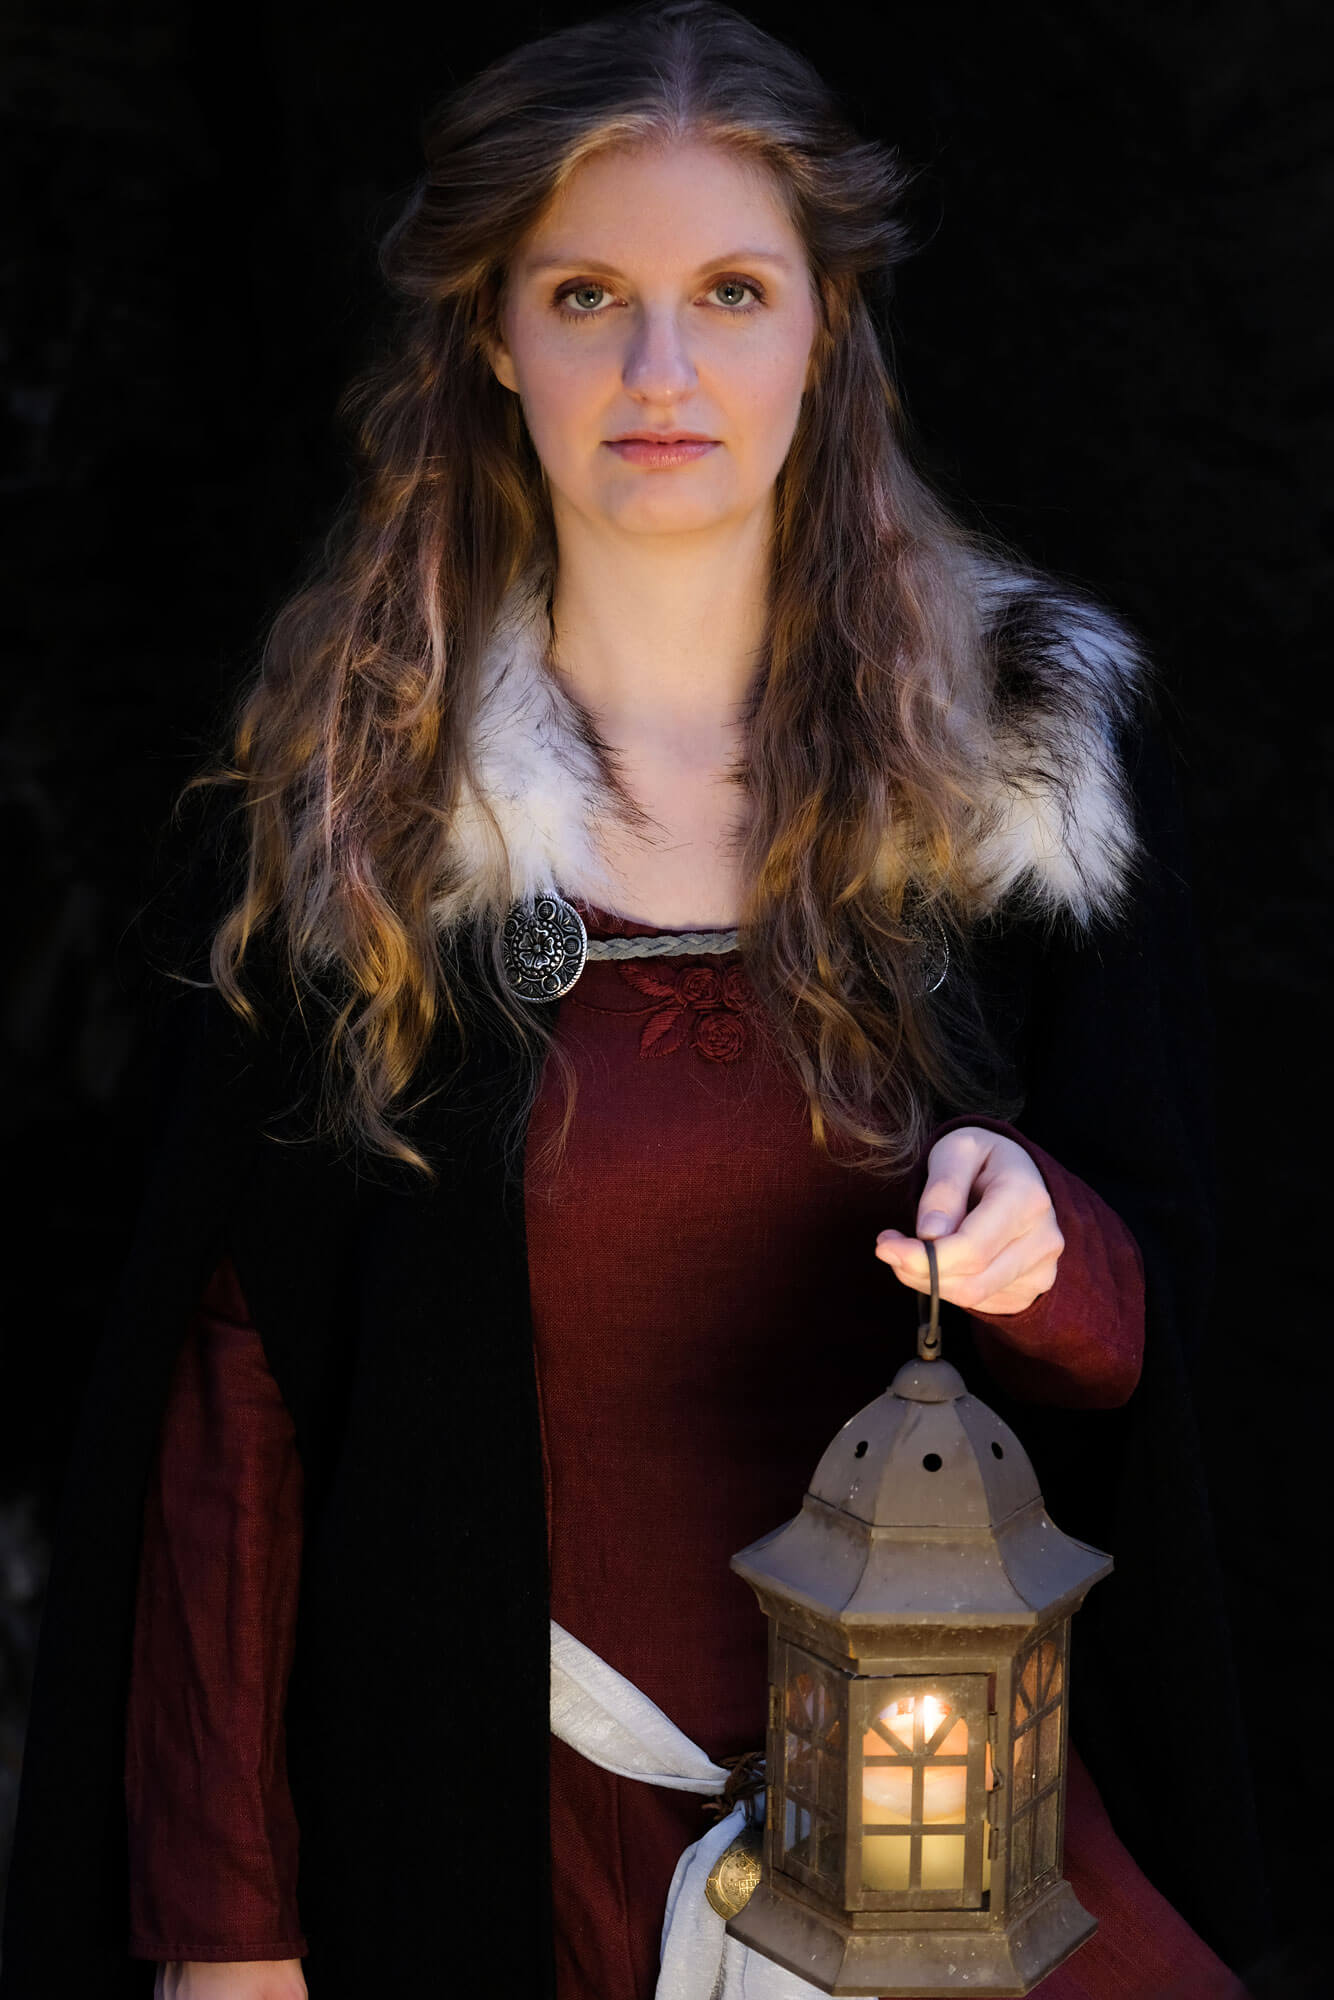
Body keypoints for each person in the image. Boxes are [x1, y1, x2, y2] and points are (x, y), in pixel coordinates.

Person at [0, 5, 1266, 1997]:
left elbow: (1152, 1335)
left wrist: (1043, 1254)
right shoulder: (352, 809)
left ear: (825, 327)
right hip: (507, 1846)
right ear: (496, 333)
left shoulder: (1024, 768)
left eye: (731, 292)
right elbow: (239, 1393)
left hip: (952, 1852)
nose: (660, 370)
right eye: (587, 294)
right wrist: (227, 1936)